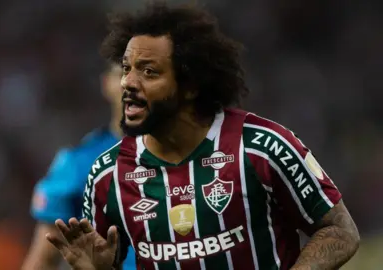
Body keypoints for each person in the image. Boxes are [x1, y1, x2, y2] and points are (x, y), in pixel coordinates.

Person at [45, 2, 360, 270]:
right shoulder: (107, 175)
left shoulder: (262, 148)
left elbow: (340, 229)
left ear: (191, 85)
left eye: (148, 71)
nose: (128, 82)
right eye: (126, 68)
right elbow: (104, 259)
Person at [22, 63, 136, 270]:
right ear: (106, 84)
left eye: (146, 73)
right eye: (123, 74)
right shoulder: (78, 163)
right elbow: (43, 260)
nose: (132, 83)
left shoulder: (193, 157)